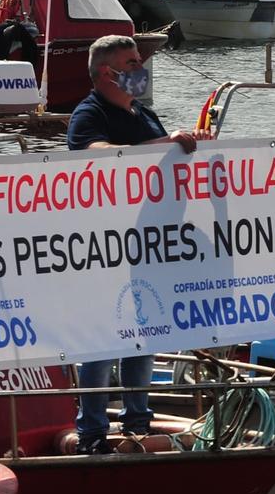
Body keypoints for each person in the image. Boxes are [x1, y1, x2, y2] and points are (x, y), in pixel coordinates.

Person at [66, 35, 199, 453]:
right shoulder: (88, 114)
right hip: (106, 249)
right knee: (105, 343)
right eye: (132, 62)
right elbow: (101, 154)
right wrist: (165, 145)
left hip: (152, 247)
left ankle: (137, 423)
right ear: (108, 72)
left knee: (147, 334)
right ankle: (92, 435)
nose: (140, 67)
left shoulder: (146, 114)